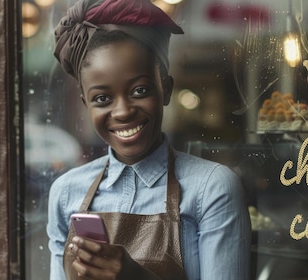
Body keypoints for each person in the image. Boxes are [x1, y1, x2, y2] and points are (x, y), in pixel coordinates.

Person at [47, 0, 251, 279]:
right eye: (102, 98)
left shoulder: (211, 189)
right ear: (86, 104)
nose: (123, 111)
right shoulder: (66, 193)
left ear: (165, 89)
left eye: (139, 90)